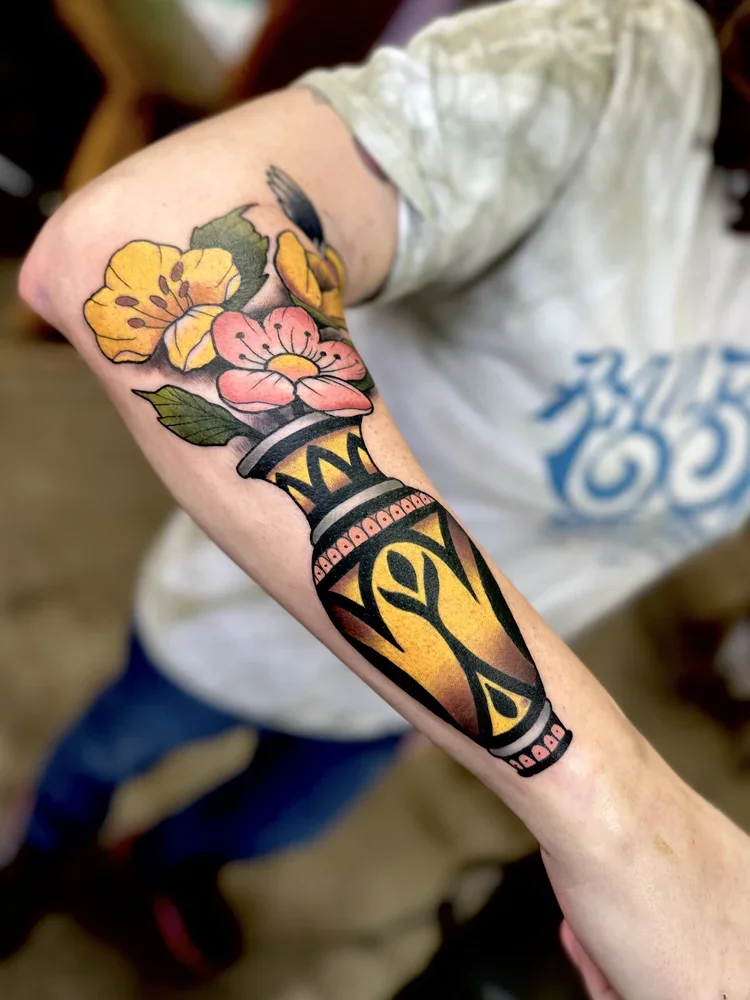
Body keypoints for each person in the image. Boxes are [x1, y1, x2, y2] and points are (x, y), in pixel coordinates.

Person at [13, 0, 750, 996]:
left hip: (421, 698)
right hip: (253, 609)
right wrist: (628, 820)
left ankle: (163, 868)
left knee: (278, 820)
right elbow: (130, 239)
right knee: (107, 747)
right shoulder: (619, 72)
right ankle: (39, 859)